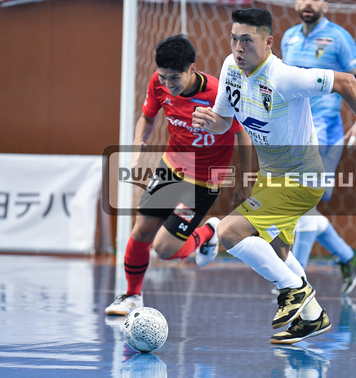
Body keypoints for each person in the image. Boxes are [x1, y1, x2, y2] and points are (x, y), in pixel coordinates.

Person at [192, 8, 356, 344]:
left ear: (268, 42)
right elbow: (225, 121)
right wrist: (212, 122)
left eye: (247, 40)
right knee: (278, 251)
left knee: (229, 232)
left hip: (302, 179)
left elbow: (347, 81)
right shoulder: (230, 68)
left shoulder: (283, 77)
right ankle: (312, 317)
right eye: (234, 39)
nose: (238, 47)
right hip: (271, 176)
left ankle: (294, 290)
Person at [105, 34, 251, 316]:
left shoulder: (217, 93)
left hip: (204, 181)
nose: (168, 84)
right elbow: (147, 117)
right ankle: (132, 296)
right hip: (171, 169)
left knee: (164, 249)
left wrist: (245, 181)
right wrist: (138, 143)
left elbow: (241, 135)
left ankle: (208, 232)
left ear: (191, 69)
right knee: (141, 231)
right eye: (163, 77)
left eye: (174, 78)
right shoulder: (157, 84)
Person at [281, 0, 356, 295]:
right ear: (297, 3)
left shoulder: (338, 37)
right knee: (301, 203)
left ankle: (296, 281)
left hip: (324, 131)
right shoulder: (288, 38)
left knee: (303, 198)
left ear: (325, 5)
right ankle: (348, 257)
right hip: (292, 132)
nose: (308, 1)